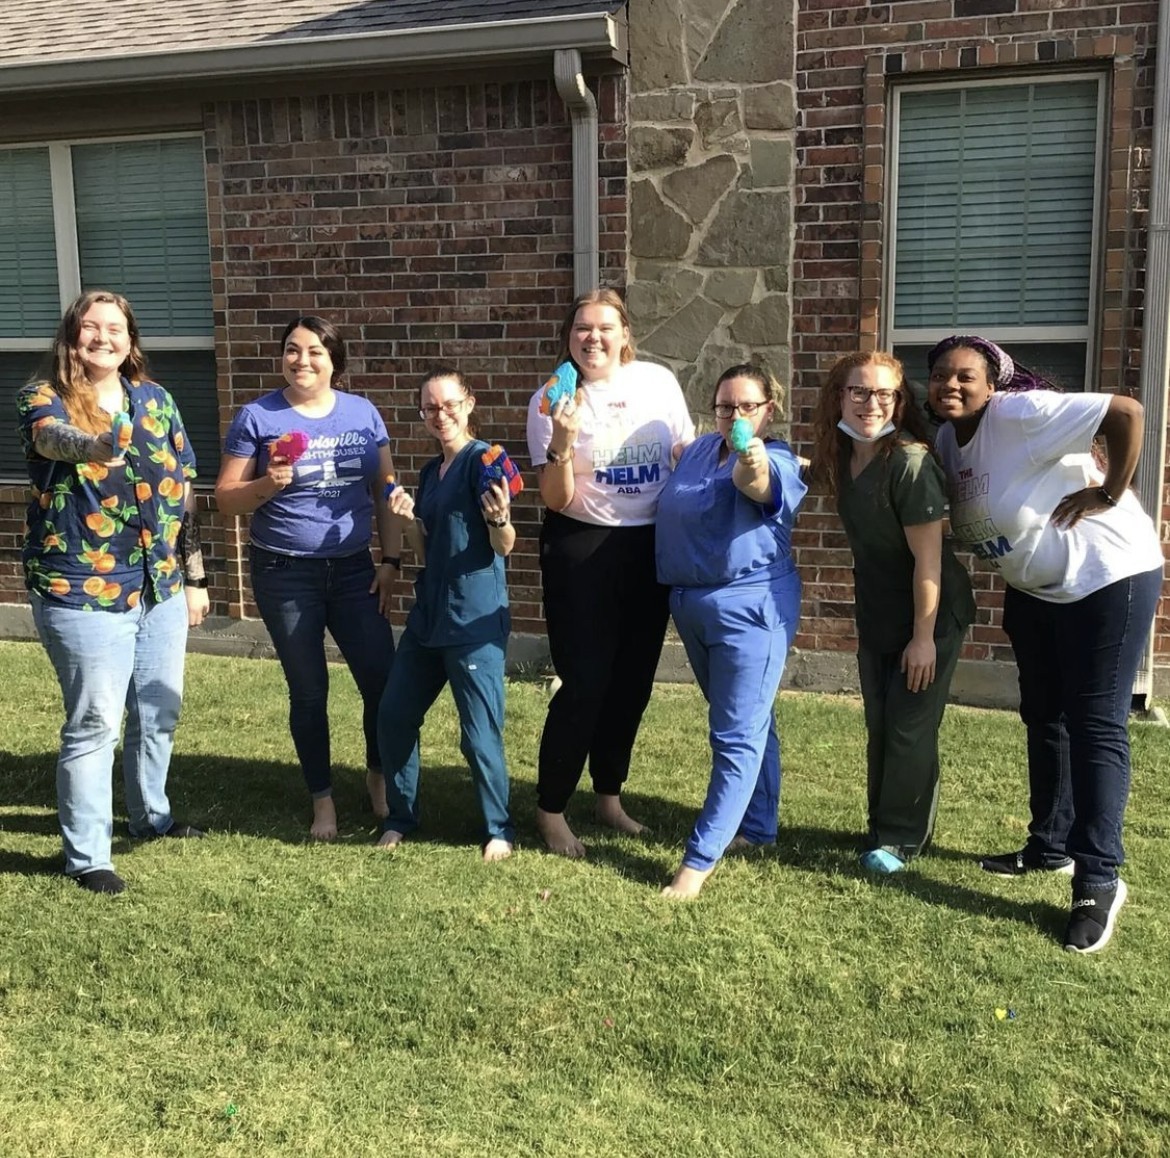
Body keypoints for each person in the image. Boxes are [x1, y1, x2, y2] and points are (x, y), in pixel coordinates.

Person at [927, 335, 1163, 954]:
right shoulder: (949, 441)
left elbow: (1126, 412)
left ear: (992, 383)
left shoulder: (1019, 415)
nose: (951, 386)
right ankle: (1049, 847)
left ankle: (1098, 880)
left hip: (1107, 576)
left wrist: (1109, 491)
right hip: (1035, 587)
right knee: (1044, 716)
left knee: (1096, 724)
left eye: (966, 377)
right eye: (941, 376)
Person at [17, 290, 208, 896]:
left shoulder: (156, 401)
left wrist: (196, 577)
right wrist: (95, 445)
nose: (103, 337)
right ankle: (88, 855)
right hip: (81, 587)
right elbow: (52, 440)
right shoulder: (44, 398)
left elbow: (185, 492)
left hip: (160, 584)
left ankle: (151, 817)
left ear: (131, 338)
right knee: (96, 719)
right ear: (71, 337)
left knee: (158, 712)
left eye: (116, 328)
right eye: (90, 328)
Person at [215, 316, 399, 841]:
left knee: (381, 680)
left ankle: (377, 777)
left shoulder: (363, 413)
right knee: (309, 690)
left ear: (334, 360)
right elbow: (226, 498)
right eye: (292, 350)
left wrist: (390, 561)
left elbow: (385, 489)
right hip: (284, 570)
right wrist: (267, 484)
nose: (302, 361)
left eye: (315, 351)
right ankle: (323, 801)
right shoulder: (258, 416)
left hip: (353, 571)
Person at [526, 288, 695, 857]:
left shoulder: (656, 382)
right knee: (586, 682)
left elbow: (683, 451)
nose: (592, 338)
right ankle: (550, 809)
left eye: (604, 327)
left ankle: (608, 797)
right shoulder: (550, 400)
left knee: (633, 682)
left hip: (649, 545)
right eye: (581, 329)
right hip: (582, 547)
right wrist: (562, 441)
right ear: (568, 338)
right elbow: (555, 499)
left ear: (625, 334)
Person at [809, 351, 975, 874]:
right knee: (882, 724)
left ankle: (902, 839)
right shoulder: (844, 453)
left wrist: (923, 639)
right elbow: (805, 475)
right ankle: (881, 824)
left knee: (909, 726)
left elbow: (929, 562)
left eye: (885, 394)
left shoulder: (908, 463)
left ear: (899, 402)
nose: (870, 403)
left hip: (929, 615)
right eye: (859, 391)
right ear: (840, 395)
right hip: (877, 613)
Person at [654, 364, 806, 897]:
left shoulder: (776, 458)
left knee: (735, 735)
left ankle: (697, 864)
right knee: (746, 719)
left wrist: (752, 458)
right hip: (691, 603)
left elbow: (756, 484)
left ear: (769, 409)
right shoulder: (697, 451)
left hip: (751, 608)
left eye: (747, 406)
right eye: (725, 406)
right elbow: (676, 461)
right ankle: (759, 826)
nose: (734, 415)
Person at [376, 367, 516, 860]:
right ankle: (400, 816)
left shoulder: (485, 463)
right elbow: (426, 546)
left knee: (478, 735)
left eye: (450, 404)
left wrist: (499, 519)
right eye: (431, 407)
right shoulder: (431, 473)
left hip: (473, 620)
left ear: (469, 403)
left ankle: (499, 828)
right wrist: (407, 517)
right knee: (393, 716)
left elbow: (504, 543)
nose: (441, 414)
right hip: (428, 617)